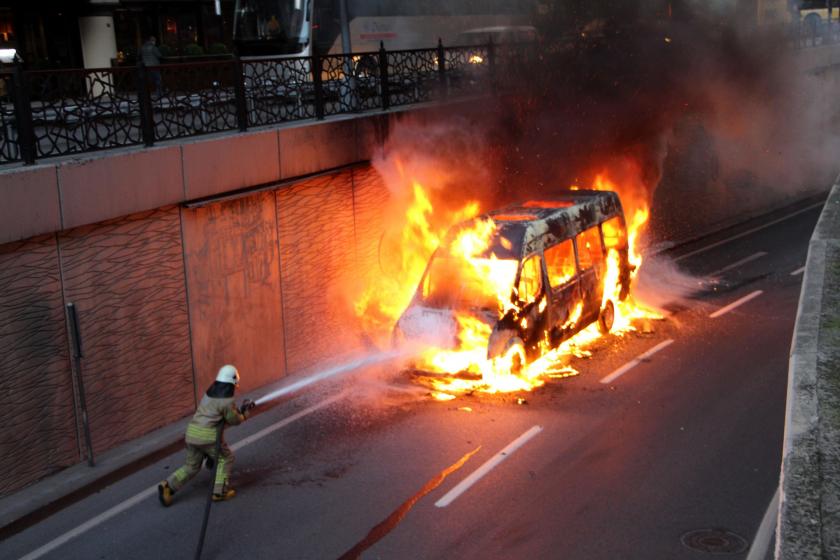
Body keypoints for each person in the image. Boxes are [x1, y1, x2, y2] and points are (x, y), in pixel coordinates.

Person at [158, 365, 255, 506]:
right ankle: (219, 491)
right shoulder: (227, 401)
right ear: (231, 384)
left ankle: (168, 486)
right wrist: (245, 413)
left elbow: (217, 416)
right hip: (208, 437)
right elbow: (234, 420)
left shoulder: (208, 394)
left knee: (191, 466)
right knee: (226, 458)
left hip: (192, 434)